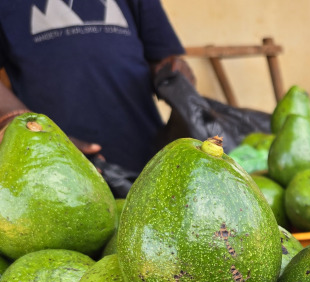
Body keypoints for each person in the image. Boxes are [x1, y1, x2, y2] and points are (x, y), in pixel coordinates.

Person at [0, 0, 195, 172]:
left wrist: (175, 76)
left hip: (147, 152)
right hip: (56, 163)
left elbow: (162, 58)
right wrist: (39, 137)